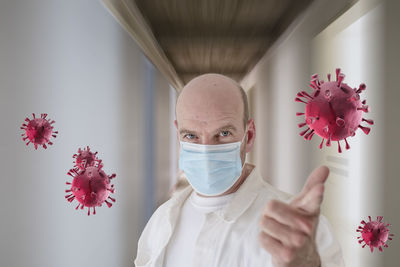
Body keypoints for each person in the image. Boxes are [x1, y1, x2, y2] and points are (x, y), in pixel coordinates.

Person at [134, 73, 344, 267]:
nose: (207, 150)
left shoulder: (300, 232)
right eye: (191, 136)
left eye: (223, 133)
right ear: (178, 135)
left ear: (249, 136)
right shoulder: (161, 221)